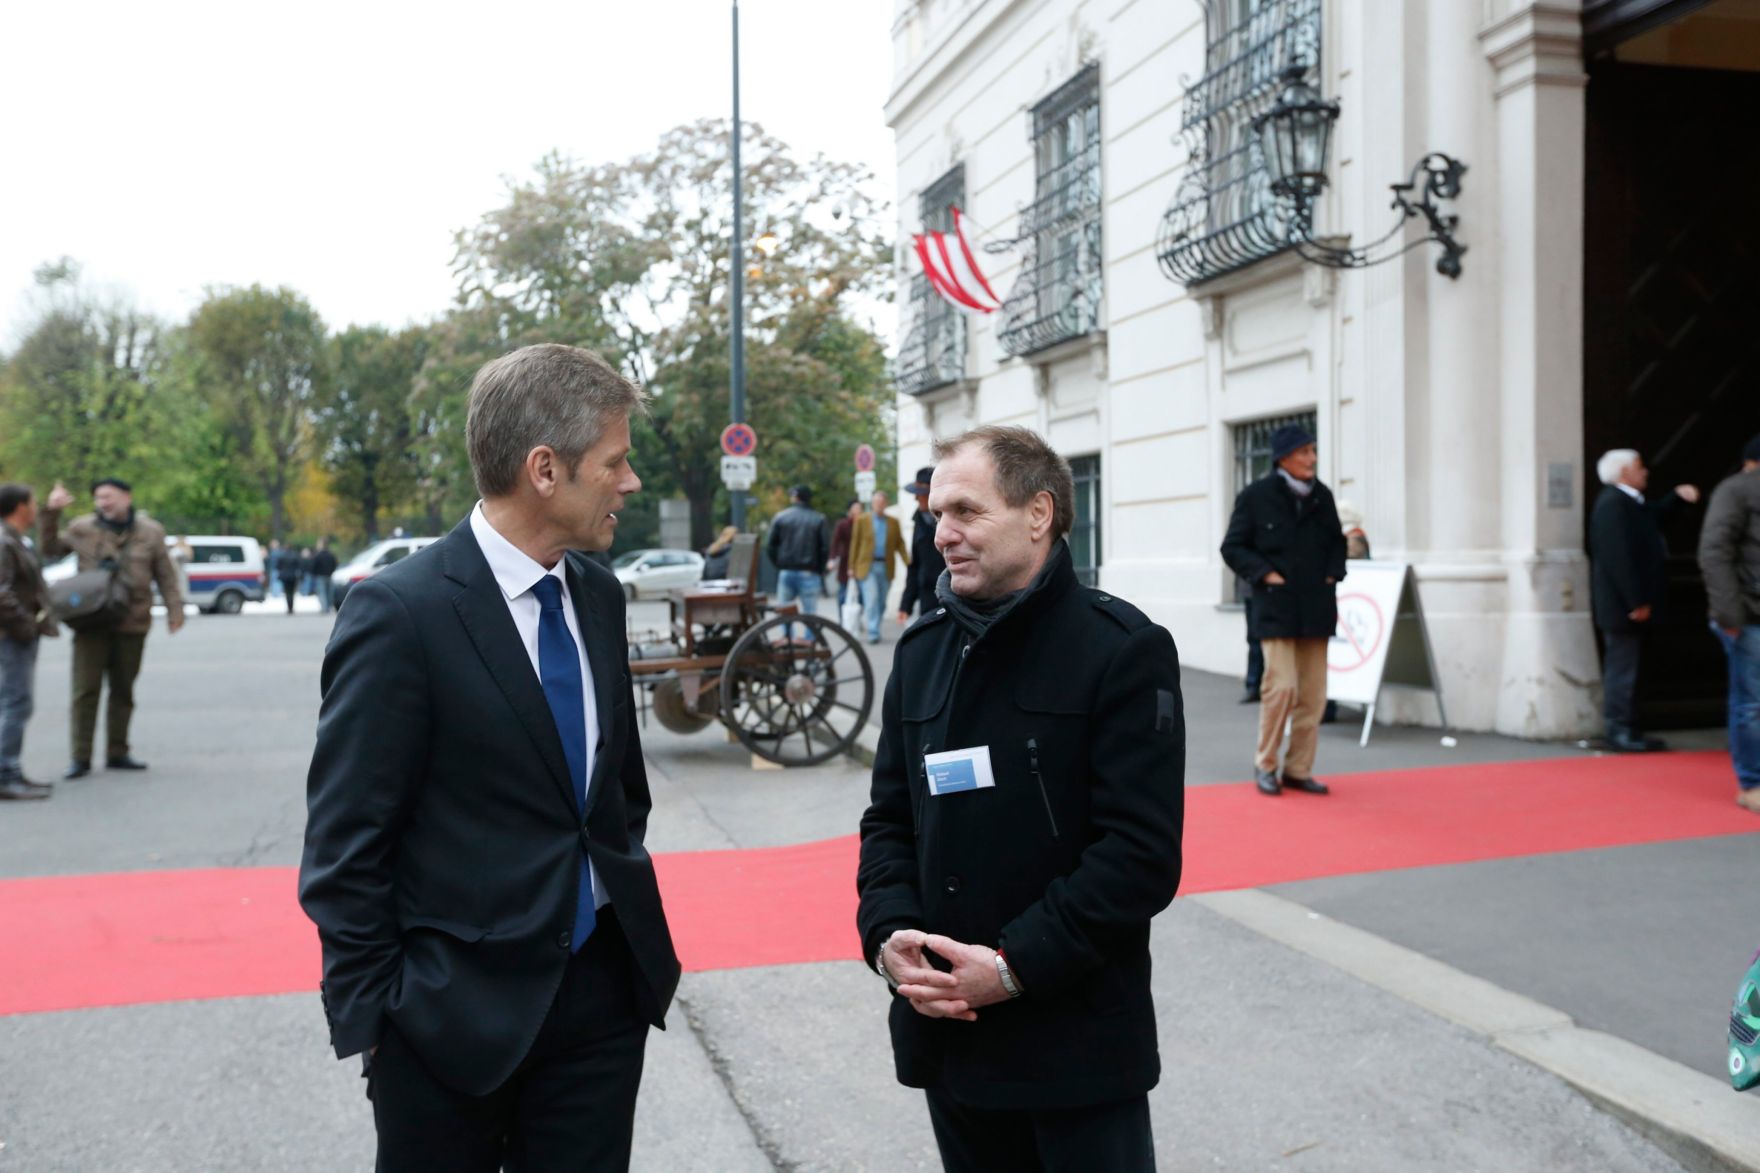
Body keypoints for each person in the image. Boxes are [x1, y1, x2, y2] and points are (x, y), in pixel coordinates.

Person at [299, 343, 680, 1171]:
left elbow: (616, 796)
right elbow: (344, 849)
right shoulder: (400, 614)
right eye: (615, 461)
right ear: (546, 469)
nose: (630, 481)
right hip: (447, 1021)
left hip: (601, 1003)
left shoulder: (598, 593)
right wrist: (386, 1022)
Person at [857, 425, 1183, 1171]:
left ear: (1039, 514)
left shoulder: (1121, 649)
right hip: (953, 1037)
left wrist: (1009, 967)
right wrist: (889, 934)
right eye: (939, 514)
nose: (943, 534)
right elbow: (890, 818)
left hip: (1075, 1048)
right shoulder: (923, 648)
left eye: (967, 512)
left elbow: (1139, 856)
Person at [1220, 425, 1346, 797]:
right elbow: (1232, 547)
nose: (1312, 459)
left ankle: (1298, 769)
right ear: (1284, 457)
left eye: (1313, 451)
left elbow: (1337, 543)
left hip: (1316, 610)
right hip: (1275, 609)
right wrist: (1266, 574)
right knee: (1282, 689)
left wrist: (1331, 575)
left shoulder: (1322, 496)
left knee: (1313, 696)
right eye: (1305, 452)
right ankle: (1266, 764)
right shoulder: (1255, 497)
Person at [40, 477, 184, 779]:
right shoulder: (82, 527)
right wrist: (51, 513)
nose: (103, 502)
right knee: (85, 691)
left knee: (123, 689)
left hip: (133, 620)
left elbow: (165, 574)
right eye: (98, 498)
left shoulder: (151, 531)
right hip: (91, 619)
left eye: (109, 496)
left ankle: (118, 751)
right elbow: (50, 548)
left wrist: (175, 609)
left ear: (127, 497)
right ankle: (80, 757)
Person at [1588, 449, 1699, 753]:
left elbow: (1653, 516)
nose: (1646, 471)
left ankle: (1631, 727)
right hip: (1624, 607)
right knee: (1623, 668)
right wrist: (1634, 600)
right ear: (1624, 472)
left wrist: (1676, 498)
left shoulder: (1628, 503)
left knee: (1634, 668)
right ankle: (1619, 728)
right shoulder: (1613, 504)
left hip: (1633, 605)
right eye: (1639, 466)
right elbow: (1617, 558)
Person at [1696, 434, 1760, 814]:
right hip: (1750, 615)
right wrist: (1729, 615)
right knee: (1752, 703)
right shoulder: (1736, 491)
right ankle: (1753, 783)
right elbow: (1714, 552)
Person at [0, 485, 56, 801]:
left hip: (16, 634)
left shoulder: (14, 539)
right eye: (34, 503)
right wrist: (25, 626)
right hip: (11, 635)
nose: (36, 508)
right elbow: (1, 592)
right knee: (15, 702)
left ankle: (11, 770)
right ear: (20, 507)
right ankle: (5, 773)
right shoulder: (4, 541)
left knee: (13, 702)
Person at [848, 490, 909, 644]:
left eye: (882, 503)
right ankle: (873, 632)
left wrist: (908, 560)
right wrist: (851, 566)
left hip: (886, 566)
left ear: (886, 504)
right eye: (876, 503)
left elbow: (899, 543)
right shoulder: (862, 520)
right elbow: (855, 543)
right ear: (872, 504)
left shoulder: (893, 522)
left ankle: (875, 624)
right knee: (872, 598)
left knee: (882, 601)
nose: (879, 506)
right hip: (867, 566)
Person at [766, 485, 829, 615]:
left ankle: (786, 635)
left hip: (787, 569)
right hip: (809, 570)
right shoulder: (818, 518)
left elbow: (771, 545)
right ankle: (810, 636)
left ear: (795, 498)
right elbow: (824, 548)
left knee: (784, 611)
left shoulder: (781, 517)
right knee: (810, 613)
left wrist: (779, 564)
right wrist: (820, 569)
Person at [896, 467, 946, 626]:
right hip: (927, 597)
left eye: (920, 493)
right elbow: (915, 566)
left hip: (951, 596)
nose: (916, 498)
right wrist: (906, 605)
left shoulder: (949, 521)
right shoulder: (919, 521)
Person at [829, 499, 860, 606]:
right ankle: (844, 619)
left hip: (861, 563)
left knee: (860, 595)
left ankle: (854, 619)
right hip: (845, 562)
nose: (858, 510)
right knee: (843, 592)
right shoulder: (843, 524)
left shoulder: (865, 524)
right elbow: (835, 543)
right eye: (856, 507)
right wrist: (832, 559)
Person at [310, 539, 339, 613]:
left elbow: (313, 566)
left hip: (320, 576)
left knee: (322, 592)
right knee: (329, 592)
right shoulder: (331, 555)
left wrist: (315, 573)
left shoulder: (318, 555)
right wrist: (331, 571)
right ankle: (328, 607)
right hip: (329, 575)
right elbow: (335, 564)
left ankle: (324, 608)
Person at [277, 540, 303, 614]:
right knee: (292, 593)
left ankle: (289, 607)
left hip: (285, 576)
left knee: (287, 592)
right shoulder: (295, 555)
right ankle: (291, 607)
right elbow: (299, 566)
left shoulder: (282, 555)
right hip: (293, 576)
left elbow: (278, 566)